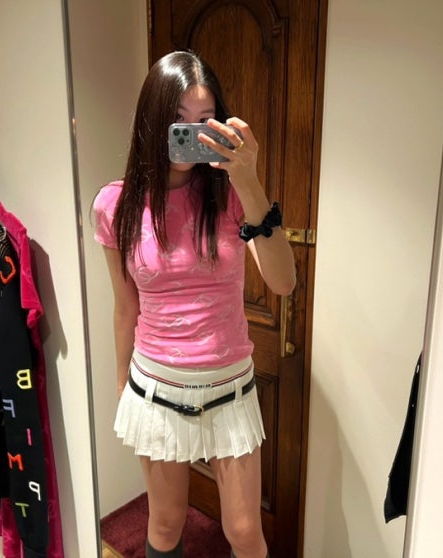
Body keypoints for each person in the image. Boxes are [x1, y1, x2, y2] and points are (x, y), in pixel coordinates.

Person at [93, 50, 295, 558]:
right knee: (164, 525)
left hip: (230, 386)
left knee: (245, 531)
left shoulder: (232, 196)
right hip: (156, 385)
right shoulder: (114, 205)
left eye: (204, 121)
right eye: (178, 119)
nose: (191, 134)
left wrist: (248, 178)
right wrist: (122, 386)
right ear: (151, 121)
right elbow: (125, 306)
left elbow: (283, 281)